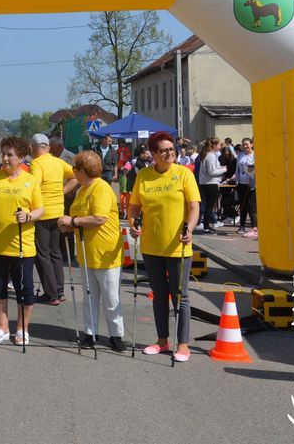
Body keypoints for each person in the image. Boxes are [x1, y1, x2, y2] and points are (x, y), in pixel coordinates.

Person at [127, 130, 200, 361]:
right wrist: (133, 224)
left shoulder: (183, 174)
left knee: (180, 296)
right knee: (159, 295)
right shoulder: (143, 176)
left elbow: (194, 206)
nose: (169, 153)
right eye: (163, 150)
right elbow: (134, 207)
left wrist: (189, 228)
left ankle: (183, 345)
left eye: (171, 149)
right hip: (151, 246)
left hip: (178, 246)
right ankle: (162, 340)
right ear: (154, 154)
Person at [0, 136, 44, 346]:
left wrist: (28, 216)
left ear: (21, 157)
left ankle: (22, 328)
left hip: (21, 245)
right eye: (3, 154)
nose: (4, 158)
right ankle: (2, 326)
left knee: (25, 289)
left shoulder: (30, 180)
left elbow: (39, 209)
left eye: (9, 155)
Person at [58, 150, 126, 351]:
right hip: (86, 251)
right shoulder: (82, 190)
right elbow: (79, 219)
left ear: (82, 171)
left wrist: (73, 221)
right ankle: (90, 332)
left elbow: (99, 218)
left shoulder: (101, 188)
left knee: (110, 297)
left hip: (105, 252)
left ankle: (116, 335)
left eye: (75, 169)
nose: (73, 172)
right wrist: (69, 225)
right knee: (89, 296)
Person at [29, 133, 76, 305]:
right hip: (58, 212)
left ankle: (51, 293)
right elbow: (75, 176)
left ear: (33, 148)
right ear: (47, 147)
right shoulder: (58, 162)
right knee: (55, 252)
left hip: (42, 213)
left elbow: (33, 187)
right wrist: (62, 191)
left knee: (42, 254)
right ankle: (60, 290)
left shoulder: (36, 164)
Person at [197, 137, 227, 234]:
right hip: (210, 183)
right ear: (213, 145)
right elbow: (211, 172)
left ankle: (207, 226)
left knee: (208, 206)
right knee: (209, 206)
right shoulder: (210, 155)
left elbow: (210, 169)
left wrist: (219, 168)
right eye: (218, 145)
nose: (219, 147)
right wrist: (224, 169)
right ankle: (206, 227)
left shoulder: (205, 154)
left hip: (205, 183)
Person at [236, 138, 256, 235]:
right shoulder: (240, 155)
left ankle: (254, 227)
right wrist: (237, 179)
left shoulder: (255, 155)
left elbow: (255, 169)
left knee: (250, 205)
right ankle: (242, 226)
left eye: (247, 144)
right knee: (242, 205)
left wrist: (248, 169)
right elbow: (237, 168)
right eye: (243, 144)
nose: (245, 146)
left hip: (251, 185)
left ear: (251, 144)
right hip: (241, 184)